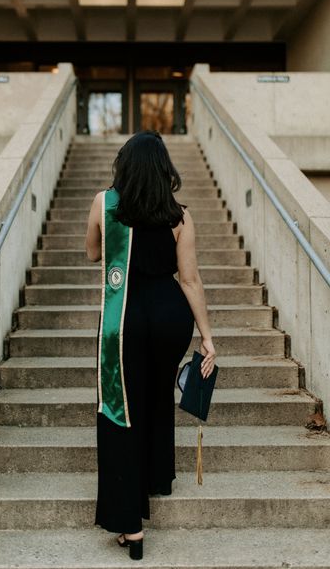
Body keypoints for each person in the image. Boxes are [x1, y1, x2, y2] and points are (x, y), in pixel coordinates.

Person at [85, 130, 217, 560]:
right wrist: (207, 337)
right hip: (169, 320)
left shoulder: (107, 207)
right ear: (164, 169)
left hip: (124, 322)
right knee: (155, 400)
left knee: (121, 410)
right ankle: (154, 478)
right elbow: (190, 279)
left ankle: (130, 525)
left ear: (123, 168)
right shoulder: (179, 216)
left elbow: (92, 254)